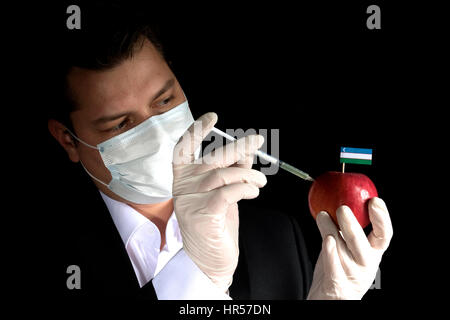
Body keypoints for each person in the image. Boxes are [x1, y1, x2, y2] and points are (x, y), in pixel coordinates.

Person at [47, 3, 392, 299]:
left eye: (165, 100)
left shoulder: (275, 238)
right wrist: (199, 275)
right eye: (121, 124)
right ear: (67, 138)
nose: (155, 129)